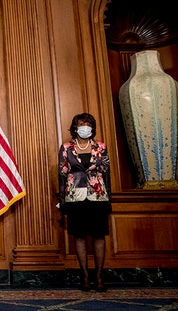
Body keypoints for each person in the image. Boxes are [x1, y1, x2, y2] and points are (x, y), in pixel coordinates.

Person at [58, 113, 111, 293]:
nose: (85, 127)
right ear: (75, 127)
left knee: (98, 236)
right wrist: (62, 201)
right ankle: (85, 276)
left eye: (88, 124)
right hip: (75, 197)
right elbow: (63, 174)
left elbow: (106, 171)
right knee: (79, 236)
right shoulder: (66, 148)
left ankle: (99, 275)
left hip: (97, 196)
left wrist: (109, 198)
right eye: (82, 124)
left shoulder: (100, 147)